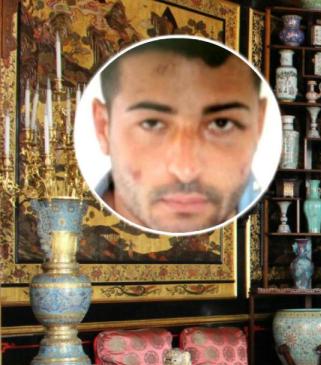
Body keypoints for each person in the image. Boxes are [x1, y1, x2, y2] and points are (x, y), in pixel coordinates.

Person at [91, 37, 268, 234]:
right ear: (103, 127)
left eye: (221, 123)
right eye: (152, 123)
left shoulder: (266, 225)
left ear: (259, 124)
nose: (186, 170)